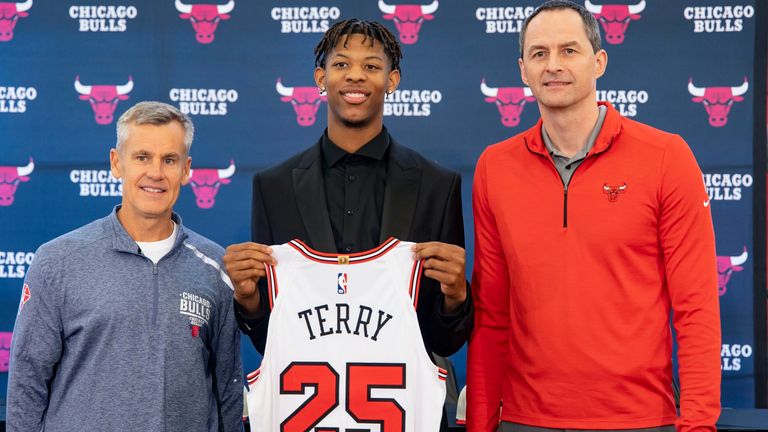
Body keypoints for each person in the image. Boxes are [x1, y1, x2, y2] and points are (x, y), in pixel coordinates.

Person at [467, 2, 721, 432]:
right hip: (525, 420)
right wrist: (480, 424)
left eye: (569, 50)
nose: (553, 66)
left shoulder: (665, 156)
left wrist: (697, 425)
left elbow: (695, 308)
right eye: (539, 53)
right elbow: (491, 315)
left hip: (638, 419)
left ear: (598, 61)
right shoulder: (495, 167)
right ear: (524, 70)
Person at [224, 18, 472, 429]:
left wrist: (455, 297)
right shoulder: (274, 186)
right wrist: (249, 301)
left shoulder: (436, 184)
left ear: (392, 80)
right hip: (306, 411)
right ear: (321, 77)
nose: (355, 75)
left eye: (372, 66)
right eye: (341, 64)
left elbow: (442, 341)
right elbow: (274, 339)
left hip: (402, 409)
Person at [7, 102, 243, 432]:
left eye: (169, 160)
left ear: (186, 170)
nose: (156, 173)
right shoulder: (56, 262)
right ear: (117, 163)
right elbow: (27, 383)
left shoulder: (214, 267)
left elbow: (228, 390)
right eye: (142, 157)